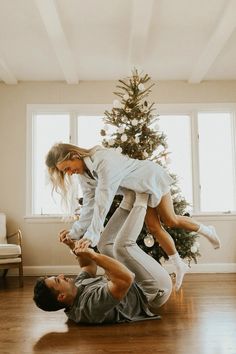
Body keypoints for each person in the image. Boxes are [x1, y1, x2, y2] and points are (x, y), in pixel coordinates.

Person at [45, 143, 220, 290]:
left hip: (150, 177)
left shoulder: (103, 160)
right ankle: (179, 264)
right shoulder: (84, 175)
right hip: (138, 190)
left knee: (170, 220)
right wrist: (75, 232)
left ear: (74, 155)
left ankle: (207, 230)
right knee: (154, 228)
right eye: (64, 172)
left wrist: (92, 235)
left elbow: (103, 201)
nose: (69, 173)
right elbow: (90, 204)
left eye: (67, 168)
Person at [33, 193, 172, 324]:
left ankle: (128, 199)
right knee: (122, 247)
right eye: (58, 280)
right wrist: (93, 255)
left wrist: (72, 245)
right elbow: (126, 278)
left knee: (104, 245)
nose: (62, 275)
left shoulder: (76, 289)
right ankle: (143, 195)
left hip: (138, 283)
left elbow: (87, 266)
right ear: (61, 296)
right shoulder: (89, 306)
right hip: (153, 289)